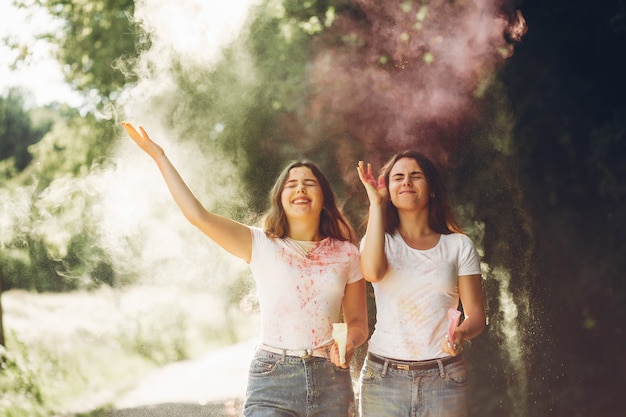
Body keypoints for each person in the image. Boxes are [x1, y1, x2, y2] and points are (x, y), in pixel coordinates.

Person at [121, 121, 368, 417]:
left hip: (331, 380)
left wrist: (349, 341)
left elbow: (358, 323)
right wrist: (159, 156)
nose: (300, 187)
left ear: (324, 198)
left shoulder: (346, 253)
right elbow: (199, 216)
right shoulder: (260, 244)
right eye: (291, 183)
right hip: (274, 376)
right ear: (280, 199)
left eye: (309, 182)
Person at [356, 150, 486, 417]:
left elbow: (476, 315)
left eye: (416, 176)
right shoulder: (379, 242)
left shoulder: (459, 245)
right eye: (398, 177)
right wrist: (375, 204)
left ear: (432, 189)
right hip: (383, 379)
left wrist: (460, 333)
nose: (406, 182)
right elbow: (371, 272)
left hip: (445, 378)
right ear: (388, 190)